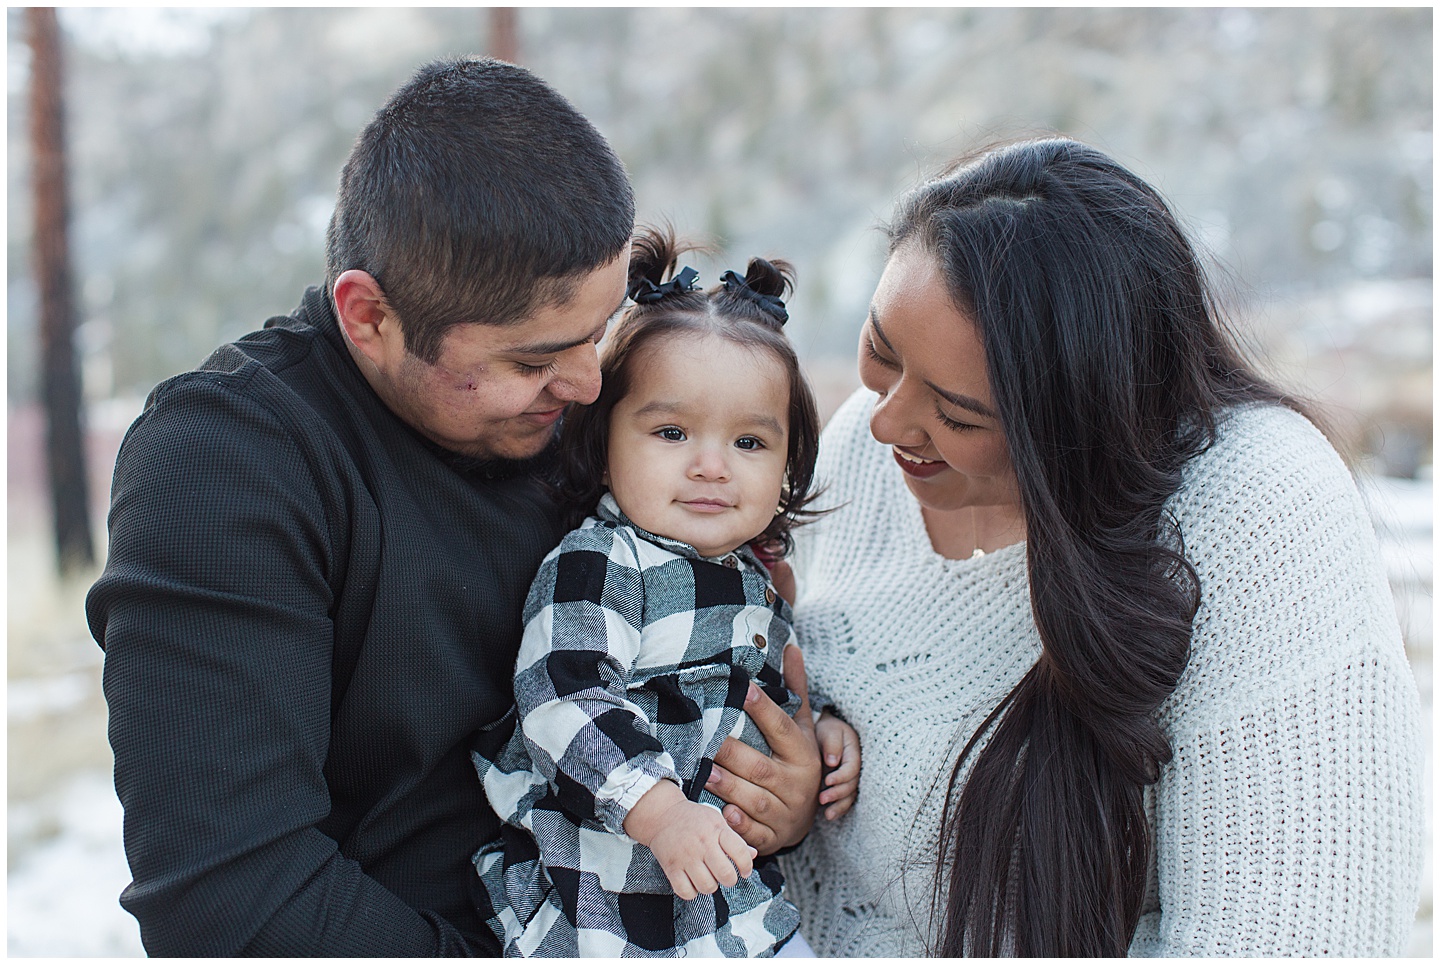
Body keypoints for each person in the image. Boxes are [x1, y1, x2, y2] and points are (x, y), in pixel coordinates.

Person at [85, 59, 821, 957]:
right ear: (370, 317)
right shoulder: (225, 465)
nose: (588, 383)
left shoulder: (608, 427)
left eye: (597, 334)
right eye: (532, 359)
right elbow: (232, 903)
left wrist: (783, 786)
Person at [778, 138, 1426, 956]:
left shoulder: (1257, 507)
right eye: (881, 350)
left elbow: (1296, 940)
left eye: (959, 414)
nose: (886, 422)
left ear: (1079, 420)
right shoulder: (864, 454)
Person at [473, 229, 860, 958]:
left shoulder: (760, 583)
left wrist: (825, 731)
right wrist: (659, 811)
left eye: (750, 443)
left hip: (729, 913)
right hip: (598, 898)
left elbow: (781, 695)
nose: (712, 466)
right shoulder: (603, 560)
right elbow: (562, 698)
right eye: (673, 431)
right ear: (603, 434)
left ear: (787, 463)